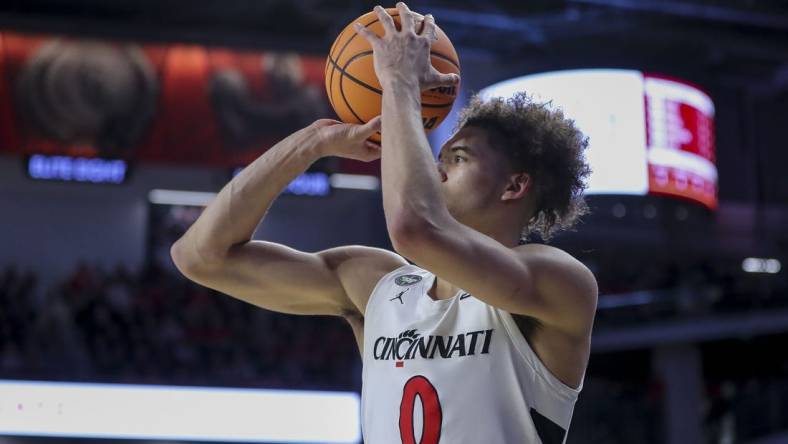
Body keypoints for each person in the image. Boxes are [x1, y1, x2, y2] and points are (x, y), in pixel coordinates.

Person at [171, 3, 597, 442]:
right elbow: (202, 257)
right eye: (436, 158)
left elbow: (415, 228)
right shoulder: (380, 286)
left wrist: (399, 81)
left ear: (514, 186)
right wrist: (312, 142)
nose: (434, 171)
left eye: (458, 158)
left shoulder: (557, 281)